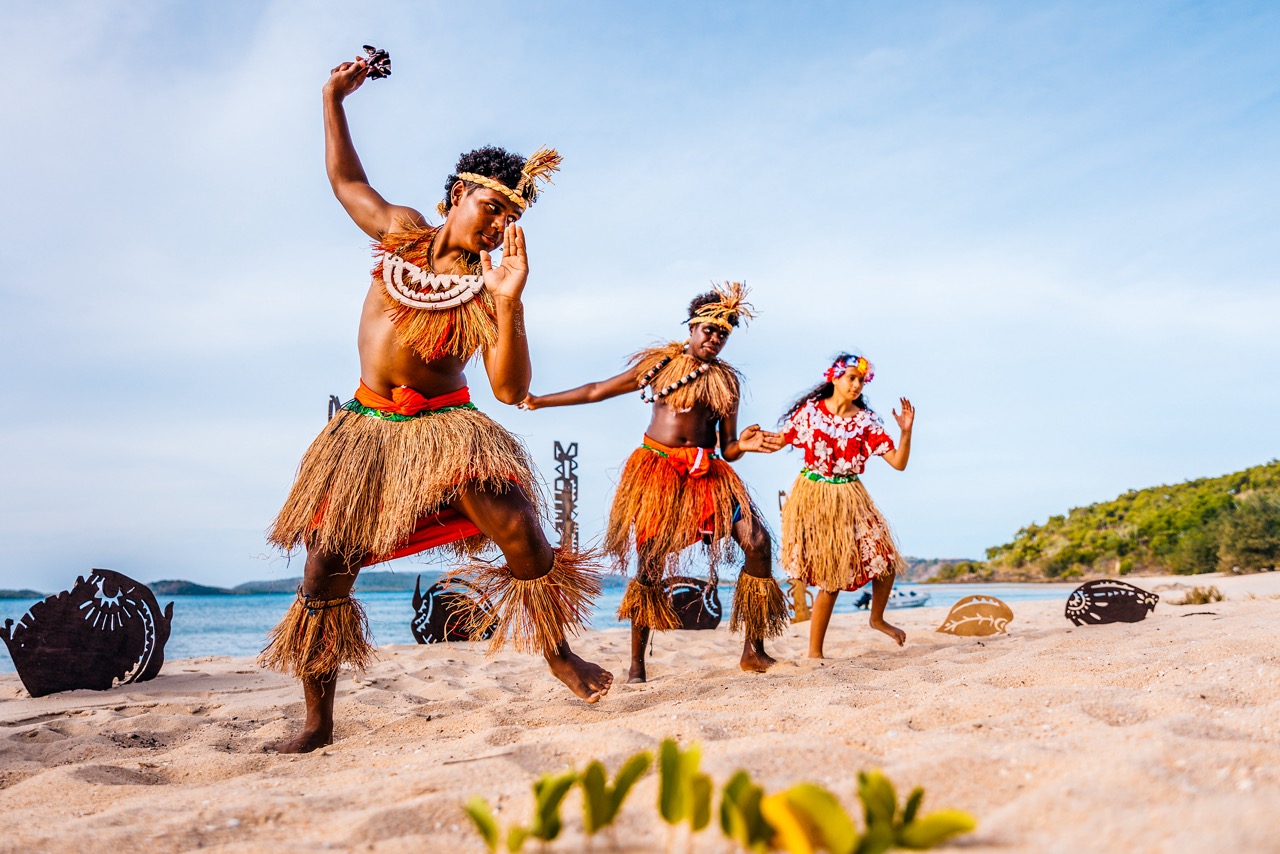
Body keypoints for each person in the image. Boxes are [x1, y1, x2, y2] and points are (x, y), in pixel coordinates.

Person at [260, 55, 611, 753]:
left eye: (510, 218)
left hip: (448, 430)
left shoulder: (488, 288)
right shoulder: (398, 231)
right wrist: (333, 96)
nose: (498, 225)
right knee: (326, 568)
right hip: (366, 431)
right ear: (457, 195)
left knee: (520, 532)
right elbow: (345, 180)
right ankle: (318, 723)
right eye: (492, 208)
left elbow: (510, 390)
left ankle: (558, 654)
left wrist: (511, 304)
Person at [521, 283, 789, 682]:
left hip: (709, 473)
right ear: (693, 327)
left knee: (758, 542)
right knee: (650, 564)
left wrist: (745, 445)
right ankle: (636, 666)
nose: (716, 339)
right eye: (709, 330)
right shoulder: (660, 366)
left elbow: (728, 447)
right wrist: (542, 400)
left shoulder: (727, 383)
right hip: (658, 473)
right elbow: (598, 390)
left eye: (723, 334)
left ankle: (754, 650)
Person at [777, 353, 915, 658]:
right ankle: (815, 654)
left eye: (861, 380)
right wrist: (742, 443)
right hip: (814, 496)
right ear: (834, 378)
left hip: (851, 495)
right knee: (832, 577)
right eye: (851, 377)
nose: (857, 384)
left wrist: (905, 431)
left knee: (886, 561)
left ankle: (876, 618)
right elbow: (780, 440)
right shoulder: (811, 413)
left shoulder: (865, 421)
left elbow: (899, 463)